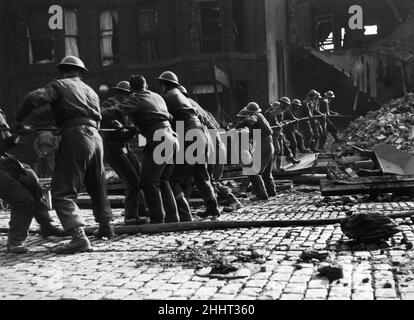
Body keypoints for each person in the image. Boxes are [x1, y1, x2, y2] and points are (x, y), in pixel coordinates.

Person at [16, 56, 113, 254]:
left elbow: (33, 98)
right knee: (97, 184)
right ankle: (106, 227)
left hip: (76, 137)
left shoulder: (60, 85)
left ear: (62, 71)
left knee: (62, 190)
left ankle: (78, 237)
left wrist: (19, 120)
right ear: (80, 72)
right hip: (96, 138)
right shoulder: (91, 91)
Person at [102, 74, 179, 224]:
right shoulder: (157, 96)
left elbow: (116, 112)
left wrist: (96, 115)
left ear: (131, 89)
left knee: (148, 183)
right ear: (146, 85)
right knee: (163, 180)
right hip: (173, 138)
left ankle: (157, 220)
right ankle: (173, 218)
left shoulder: (136, 97)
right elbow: (160, 117)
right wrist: (136, 128)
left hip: (159, 140)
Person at [0, 108, 65, 254]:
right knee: (23, 200)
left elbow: (7, 143)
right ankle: (15, 241)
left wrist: (19, 133)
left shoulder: (0, 114)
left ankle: (46, 226)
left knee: (31, 182)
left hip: (3, 160)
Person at [158, 71, 220, 220]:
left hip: (187, 135)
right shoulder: (184, 98)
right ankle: (213, 208)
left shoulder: (167, 97)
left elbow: (162, 118)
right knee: (201, 175)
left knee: (171, 179)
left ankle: (184, 214)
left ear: (163, 84)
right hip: (200, 134)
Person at [100, 81, 147, 225]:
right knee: (132, 181)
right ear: (123, 94)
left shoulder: (127, 109)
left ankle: (141, 209)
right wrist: (117, 124)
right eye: (129, 94)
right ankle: (131, 216)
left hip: (125, 146)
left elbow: (128, 129)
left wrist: (131, 130)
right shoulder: (110, 103)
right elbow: (103, 116)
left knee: (139, 177)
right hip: (112, 148)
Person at [234, 102, 276, 201]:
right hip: (269, 144)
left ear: (249, 112)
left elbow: (250, 120)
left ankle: (262, 195)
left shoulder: (255, 116)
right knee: (266, 172)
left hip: (264, 145)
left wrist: (238, 125)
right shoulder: (261, 117)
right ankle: (271, 192)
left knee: (254, 171)